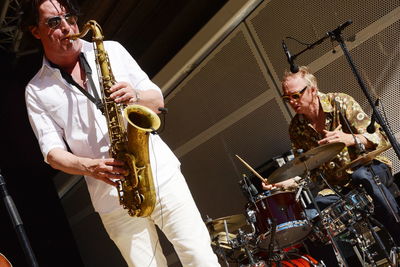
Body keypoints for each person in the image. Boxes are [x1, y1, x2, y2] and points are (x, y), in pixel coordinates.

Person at [21, 0, 220, 266]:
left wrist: (135, 95)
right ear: (36, 31)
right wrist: (89, 166)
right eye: (54, 23)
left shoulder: (111, 50)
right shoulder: (36, 90)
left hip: (160, 174)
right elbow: (52, 153)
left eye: (69, 18)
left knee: (200, 258)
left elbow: (156, 101)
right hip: (114, 198)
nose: (67, 27)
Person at [264, 66, 400, 250]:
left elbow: (381, 138)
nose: (292, 102)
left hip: (371, 169)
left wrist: (350, 139)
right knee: (310, 217)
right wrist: (284, 183)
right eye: (286, 98)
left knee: (362, 177)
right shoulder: (296, 128)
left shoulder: (340, 102)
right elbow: (306, 171)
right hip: (337, 188)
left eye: (296, 95)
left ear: (312, 90)